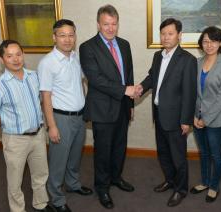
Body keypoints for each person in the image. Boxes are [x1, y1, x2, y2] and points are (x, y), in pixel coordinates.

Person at [79, 4, 136, 209]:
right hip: (102, 109)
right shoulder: (87, 47)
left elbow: (128, 75)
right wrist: (125, 91)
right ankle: (102, 187)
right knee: (103, 150)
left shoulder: (125, 44)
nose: (110, 28)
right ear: (98, 24)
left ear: (117, 24)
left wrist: (129, 103)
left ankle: (116, 178)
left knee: (120, 147)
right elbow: (96, 80)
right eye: (106, 24)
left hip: (122, 106)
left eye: (114, 24)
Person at [0, 40, 53, 212]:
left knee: (41, 174)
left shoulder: (34, 76)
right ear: (1, 59)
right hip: (15, 140)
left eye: (18, 54)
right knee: (15, 181)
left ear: (23, 55)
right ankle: (18, 210)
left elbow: (41, 103)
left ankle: (41, 203)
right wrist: (10, 124)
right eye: (9, 56)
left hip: (38, 135)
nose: (15, 59)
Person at [137, 18, 197, 207]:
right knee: (163, 154)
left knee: (178, 157)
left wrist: (186, 120)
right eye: (163, 33)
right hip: (159, 115)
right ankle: (170, 181)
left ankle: (181, 189)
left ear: (179, 35)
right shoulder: (157, 56)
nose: (166, 37)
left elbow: (190, 92)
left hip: (177, 119)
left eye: (170, 33)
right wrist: (140, 87)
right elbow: (152, 77)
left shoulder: (188, 59)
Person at [38, 19, 92, 212]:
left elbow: (85, 82)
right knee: (58, 161)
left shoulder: (76, 57)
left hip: (79, 117)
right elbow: (45, 97)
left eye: (71, 35)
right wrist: (51, 126)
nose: (67, 39)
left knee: (75, 156)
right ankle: (57, 199)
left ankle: (73, 184)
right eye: (62, 35)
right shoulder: (47, 63)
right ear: (54, 37)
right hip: (60, 119)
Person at [190, 26, 221, 202]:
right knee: (204, 153)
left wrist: (205, 119)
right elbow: (191, 92)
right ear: (201, 43)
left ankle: (214, 186)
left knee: (216, 155)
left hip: (215, 121)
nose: (209, 45)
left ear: (220, 43)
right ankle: (205, 182)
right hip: (196, 117)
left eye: (213, 41)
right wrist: (193, 116)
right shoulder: (196, 63)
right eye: (206, 41)